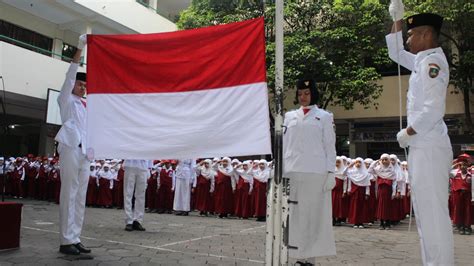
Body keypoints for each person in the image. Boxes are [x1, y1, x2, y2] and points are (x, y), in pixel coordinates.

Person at [387, 1, 454, 264]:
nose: (408, 39)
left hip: (427, 145)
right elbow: (395, 52)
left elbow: (433, 109)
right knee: (425, 216)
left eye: (412, 34)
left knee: (434, 216)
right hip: (422, 147)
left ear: (426, 35)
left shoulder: (432, 63)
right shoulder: (421, 60)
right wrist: (397, 19)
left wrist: (409, 132)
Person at [283, 78, 336, 265]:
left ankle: (310, 259)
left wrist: (331, 172)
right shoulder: (289, 117)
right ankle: (297, 256)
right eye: (300, 94)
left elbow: (329, 146)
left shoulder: (324, 116)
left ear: (313, 93)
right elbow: (284, 145)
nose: (303, 97)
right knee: (294, 216)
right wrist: (280, 169)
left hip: (315, 173)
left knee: (313, 216)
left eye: (306, 93)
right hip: (292, 171)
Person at [55, 34, 92, 255]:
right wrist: (80, 48)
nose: (82, 87)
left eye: (84, 85)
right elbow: (70, 74)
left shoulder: (86, 106)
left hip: (85, 153)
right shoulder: (65, 100)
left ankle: (75, 237)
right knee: (69, 194)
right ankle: (65, 240)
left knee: (80, 197)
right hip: (70, 149)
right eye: (80, 84)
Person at [123, 159, 152, 231]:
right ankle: (129, 220)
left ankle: (138, 220)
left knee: (141, 195)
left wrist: (149, 167)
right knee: (128, 194)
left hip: (143, 165)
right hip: (130, 164)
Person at [344, 158, 371, 229]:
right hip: (354, 191)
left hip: (362, 192)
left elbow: (367, 184)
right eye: (356, 162)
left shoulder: (365, 173)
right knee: (354, 207)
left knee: (361, 207)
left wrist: (367, 193)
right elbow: (344, 174)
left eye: (359, 162)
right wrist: (350, 165)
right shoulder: (352, 172)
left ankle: (361, 222)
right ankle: (355, 222)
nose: (358, 164)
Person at [450, 154, 472, 235]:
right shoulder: (455, 173)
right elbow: (445, 172)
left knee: (468, 211)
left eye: (465, 165)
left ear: (467, 166)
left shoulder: (471, 174)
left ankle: (467, 226)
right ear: (460, 166)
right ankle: (460, 226)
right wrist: (455, 164)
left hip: (467, 195)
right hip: (458, 195)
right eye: (462, 165)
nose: (464, 167)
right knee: (458, 211)